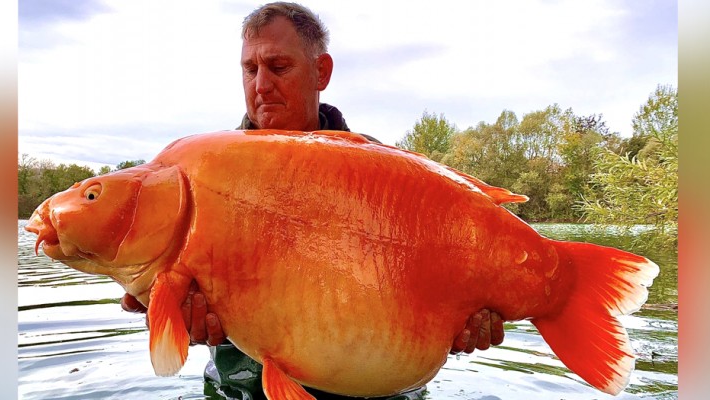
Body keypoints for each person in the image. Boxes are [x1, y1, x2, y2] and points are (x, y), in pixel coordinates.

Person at [121, 2, 505, 399]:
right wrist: (173, 317)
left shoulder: (387, 176)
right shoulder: (200, 177)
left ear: (321, 72)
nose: (261, 85)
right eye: (250, 69)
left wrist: (462, 326)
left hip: (372, 390)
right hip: (240, 389)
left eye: (278, 67)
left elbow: (438, 296)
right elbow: (158, 300)